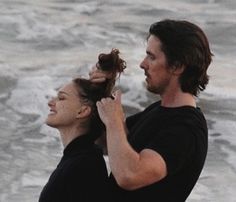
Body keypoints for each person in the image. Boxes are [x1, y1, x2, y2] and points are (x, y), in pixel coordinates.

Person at [90, 19, 213, 201]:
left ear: (177, 66)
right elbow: (107, 145)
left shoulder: (186, 129)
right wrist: (102, 90)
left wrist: (115, 121)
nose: (142, 64)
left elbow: (130, 175)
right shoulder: (159, 110)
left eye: (152, 57)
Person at [38, 48, 126, 202]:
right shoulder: (80, 158)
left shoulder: (83, 166)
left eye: (61, 98)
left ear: (83, 111)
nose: (51, 103)